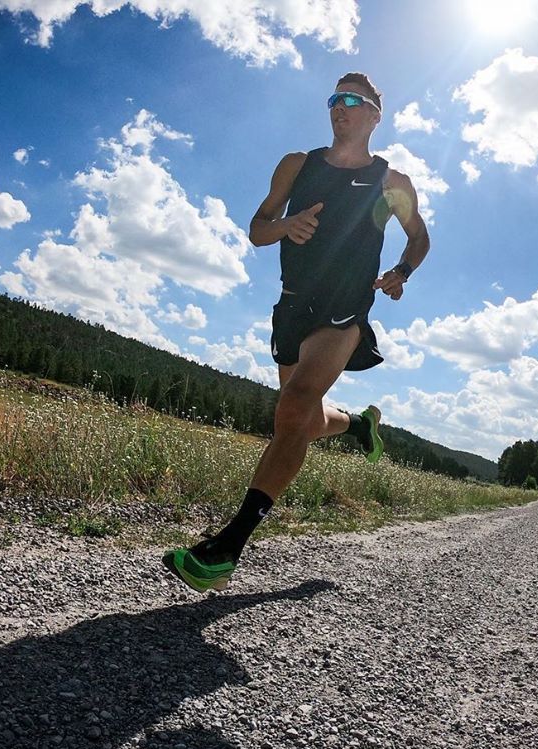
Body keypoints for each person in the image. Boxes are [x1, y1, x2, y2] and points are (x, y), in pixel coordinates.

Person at [163, 72, 430, 592]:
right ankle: (356, 425)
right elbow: (258, 228)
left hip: (344, 311)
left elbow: (418, 237)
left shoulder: (391, 182)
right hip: (292, 308)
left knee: (294, 406)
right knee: (301, 421)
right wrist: (285, 226)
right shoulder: (297, 165)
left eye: (354, 100)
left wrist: (402, 272)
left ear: (376, 114)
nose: (340, 106)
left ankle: (227, 548)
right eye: (335, 99)